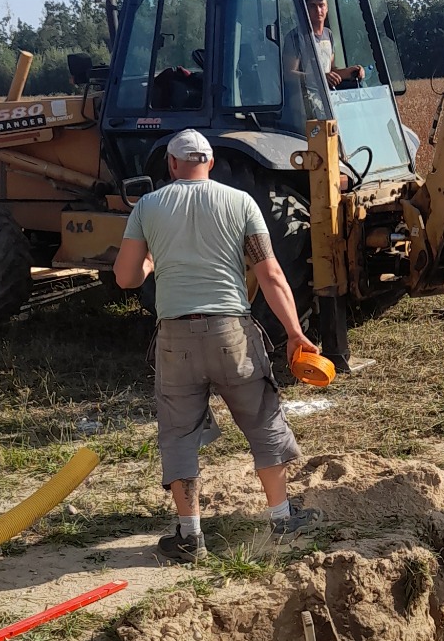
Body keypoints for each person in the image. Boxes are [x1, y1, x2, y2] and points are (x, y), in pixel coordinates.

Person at [114, 127, 324, 562]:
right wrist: (295, 334)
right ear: (209, 162)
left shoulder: (148, 206)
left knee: (177, 433)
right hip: (233, 334)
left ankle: (190, 536)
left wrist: (151, 261)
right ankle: (282, 519)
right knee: (263, 420)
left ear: (172, 165)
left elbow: (125, 278)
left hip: (175, 338)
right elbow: (270, 274)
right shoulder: (240, 202)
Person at [282, 0, 364, 106]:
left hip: (327, 97)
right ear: (304, 9)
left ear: (327, 8)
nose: (318, 10)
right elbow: (289, 74)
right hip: (304, 102)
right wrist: (319, 78)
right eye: (312, 6)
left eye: (321, 5)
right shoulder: (295, 37)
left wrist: (351, 71)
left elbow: (330, 71)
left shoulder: (328, 34)